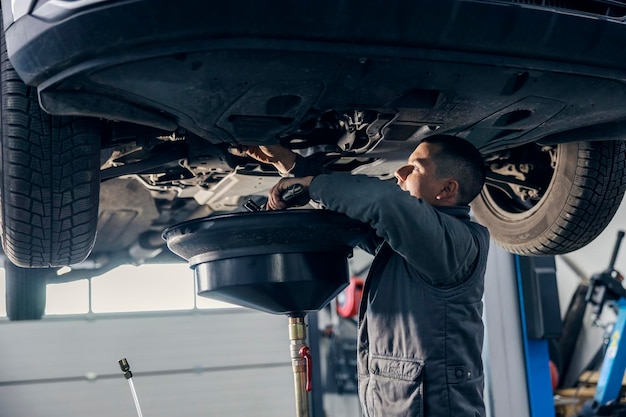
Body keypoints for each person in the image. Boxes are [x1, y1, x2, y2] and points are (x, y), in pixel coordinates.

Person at [246, 134, 489, 417]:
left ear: (446, 189)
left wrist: (313, 185)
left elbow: (383, 203)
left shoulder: (455, 246)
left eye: (415, 168)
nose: (400, 172)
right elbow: (357, 212)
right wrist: (289, 164)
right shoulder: (418, 245)